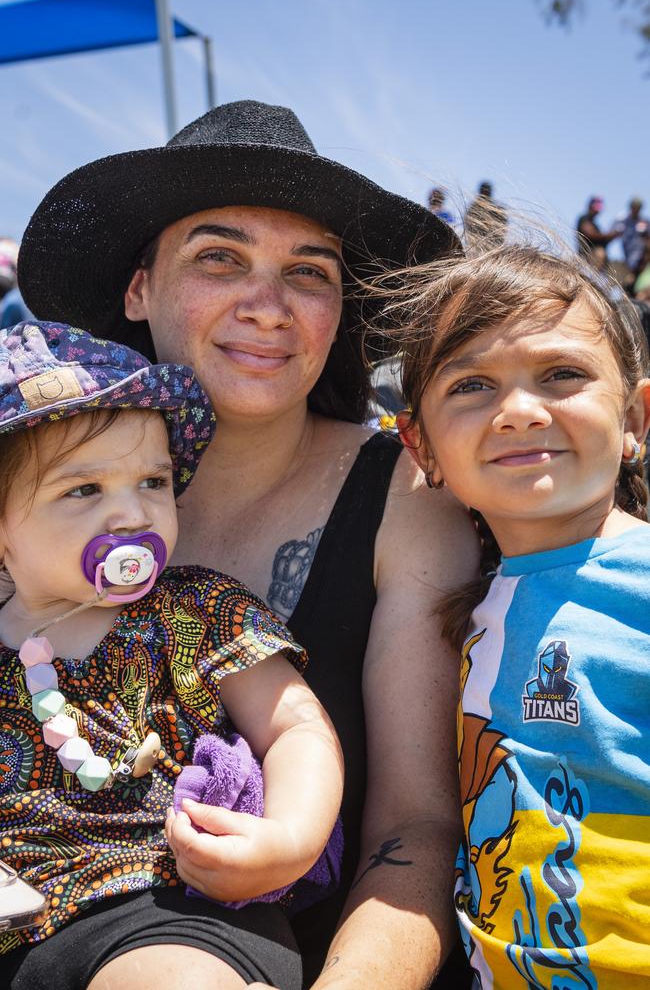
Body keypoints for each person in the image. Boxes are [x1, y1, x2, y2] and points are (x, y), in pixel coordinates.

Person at [18, 100, 478, 989]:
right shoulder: (24, 492)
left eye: (309, 272)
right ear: (138, 286)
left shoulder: (409, 501)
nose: (267, 307)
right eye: (219, 257)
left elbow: (414, 827)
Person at [0, 320, 343, 990]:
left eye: (153, 483)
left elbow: (297, 728)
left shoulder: (195, 613)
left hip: (166, 903)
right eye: (84, 490)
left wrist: (288, 840)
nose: (133, 515)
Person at [389, 243, 650, 987]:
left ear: (636, 417)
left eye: (562, 374)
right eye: (471, 384)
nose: (519, 413)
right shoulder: (470, 609)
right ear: (423, 448)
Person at [575, 195, 622, 265]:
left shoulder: (596, 225)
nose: (596, 212)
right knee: (600, 253)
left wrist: (613, 236)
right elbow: (591, 234)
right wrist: (610, 235)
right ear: (590, 206)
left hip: (593, 260)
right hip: (585, 256)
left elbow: (602, 240)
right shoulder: (584, 219)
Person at [463, 181, 507, 248]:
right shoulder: (473, 208)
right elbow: (469, 227)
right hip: (477, 244)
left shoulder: (497, 209)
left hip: (490, 244)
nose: (486, 194)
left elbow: (502, 229)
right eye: (485, 191)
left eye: (486, 191)